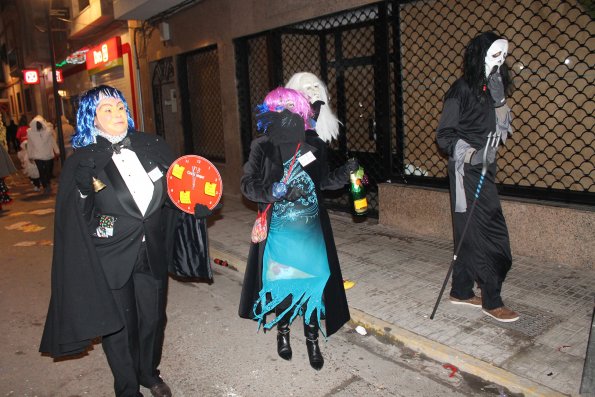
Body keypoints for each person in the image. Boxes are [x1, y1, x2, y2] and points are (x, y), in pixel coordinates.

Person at [39, 85, 215, 397]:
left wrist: (193, 204)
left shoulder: (151, 145)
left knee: (153, 318)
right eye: (106, 110)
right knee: (118, 326)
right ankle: (127, 387)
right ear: (90, 119)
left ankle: (149, 373)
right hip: (111, 255)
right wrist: (82, 192)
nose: (117, 114)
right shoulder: (83, 160)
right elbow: (77, 217)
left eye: (120, 107)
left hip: (153, 250)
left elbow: (174, 190)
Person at [238, 87, 357, 370]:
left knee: (314, 281)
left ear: (303, 109)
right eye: (281, 107)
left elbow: (324, 182)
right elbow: (247, 185)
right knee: (283, 282)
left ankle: (312, 338)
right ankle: (283, 334)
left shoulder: (314, 144)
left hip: (311, 232)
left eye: (292, 106)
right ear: (271, 112)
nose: (287, 112)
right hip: (280, 231)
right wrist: (274, 190)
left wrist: (344, 173)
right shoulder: (262, 146)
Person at [436, 31, 518, 322]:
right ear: (479, 57)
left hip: (485, 171)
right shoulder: (460, 90)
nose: (500, 62)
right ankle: (491, 299)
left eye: (504, 56)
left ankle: (460, 290)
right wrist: (473, 155)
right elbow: (444, 137)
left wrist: (500, 102)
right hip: (465, 171)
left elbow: (504, 132)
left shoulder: (493, 88)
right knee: (485, 234)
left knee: (467, 232)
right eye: (495, 56)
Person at [285, 72, 356, 290]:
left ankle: (327, 287)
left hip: (312, 206)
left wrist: (345, 173)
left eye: (316, 86)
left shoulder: (317, 134)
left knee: (319, 247)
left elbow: (322, 181)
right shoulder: (286, 129)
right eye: (306, 88)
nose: (313, 92)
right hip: (288, 205)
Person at [26, 115, 59, 195]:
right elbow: (30, 145)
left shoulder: (47, 131)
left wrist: (57, 151)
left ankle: (46, 184)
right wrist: (30, 155)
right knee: (43, 171)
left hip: (44, 155)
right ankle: (46, 185)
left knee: (46, 171)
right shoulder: (31, 133)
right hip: (42, 155)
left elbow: (52, 141)